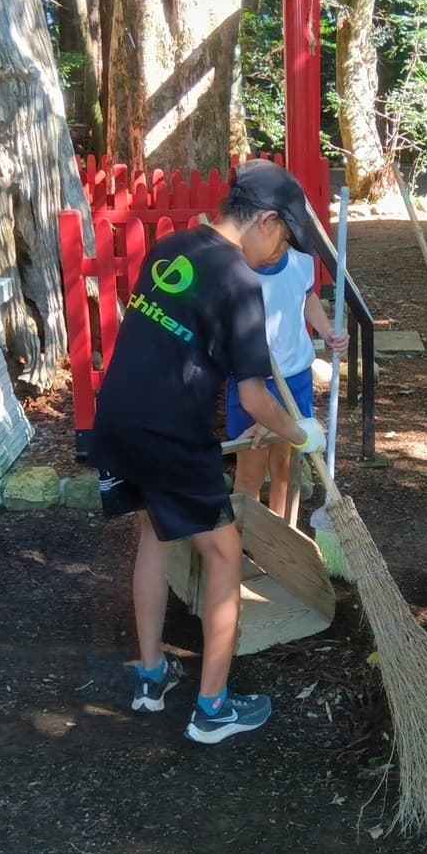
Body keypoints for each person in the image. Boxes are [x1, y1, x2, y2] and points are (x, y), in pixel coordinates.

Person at [90, 160, 326, 744]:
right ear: (265, 221)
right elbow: (253, 392)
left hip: (118, 419)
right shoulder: (241, 280)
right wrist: (302, 435)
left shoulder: (172, 248)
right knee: (223, 555)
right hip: (170, 434)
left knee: (154, 532)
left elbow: (184, 348)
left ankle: (151, 678)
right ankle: (213, 710)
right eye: (285, 238)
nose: (282, 252)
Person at [226, 238, 348, 517]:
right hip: (252, 380)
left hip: (295, 379)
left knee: (285, 466)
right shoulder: (238, 268)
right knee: (250, 472)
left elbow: (306, 297)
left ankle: (285, 534)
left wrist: (327, 331)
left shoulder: (301, 262)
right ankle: (246, 543)